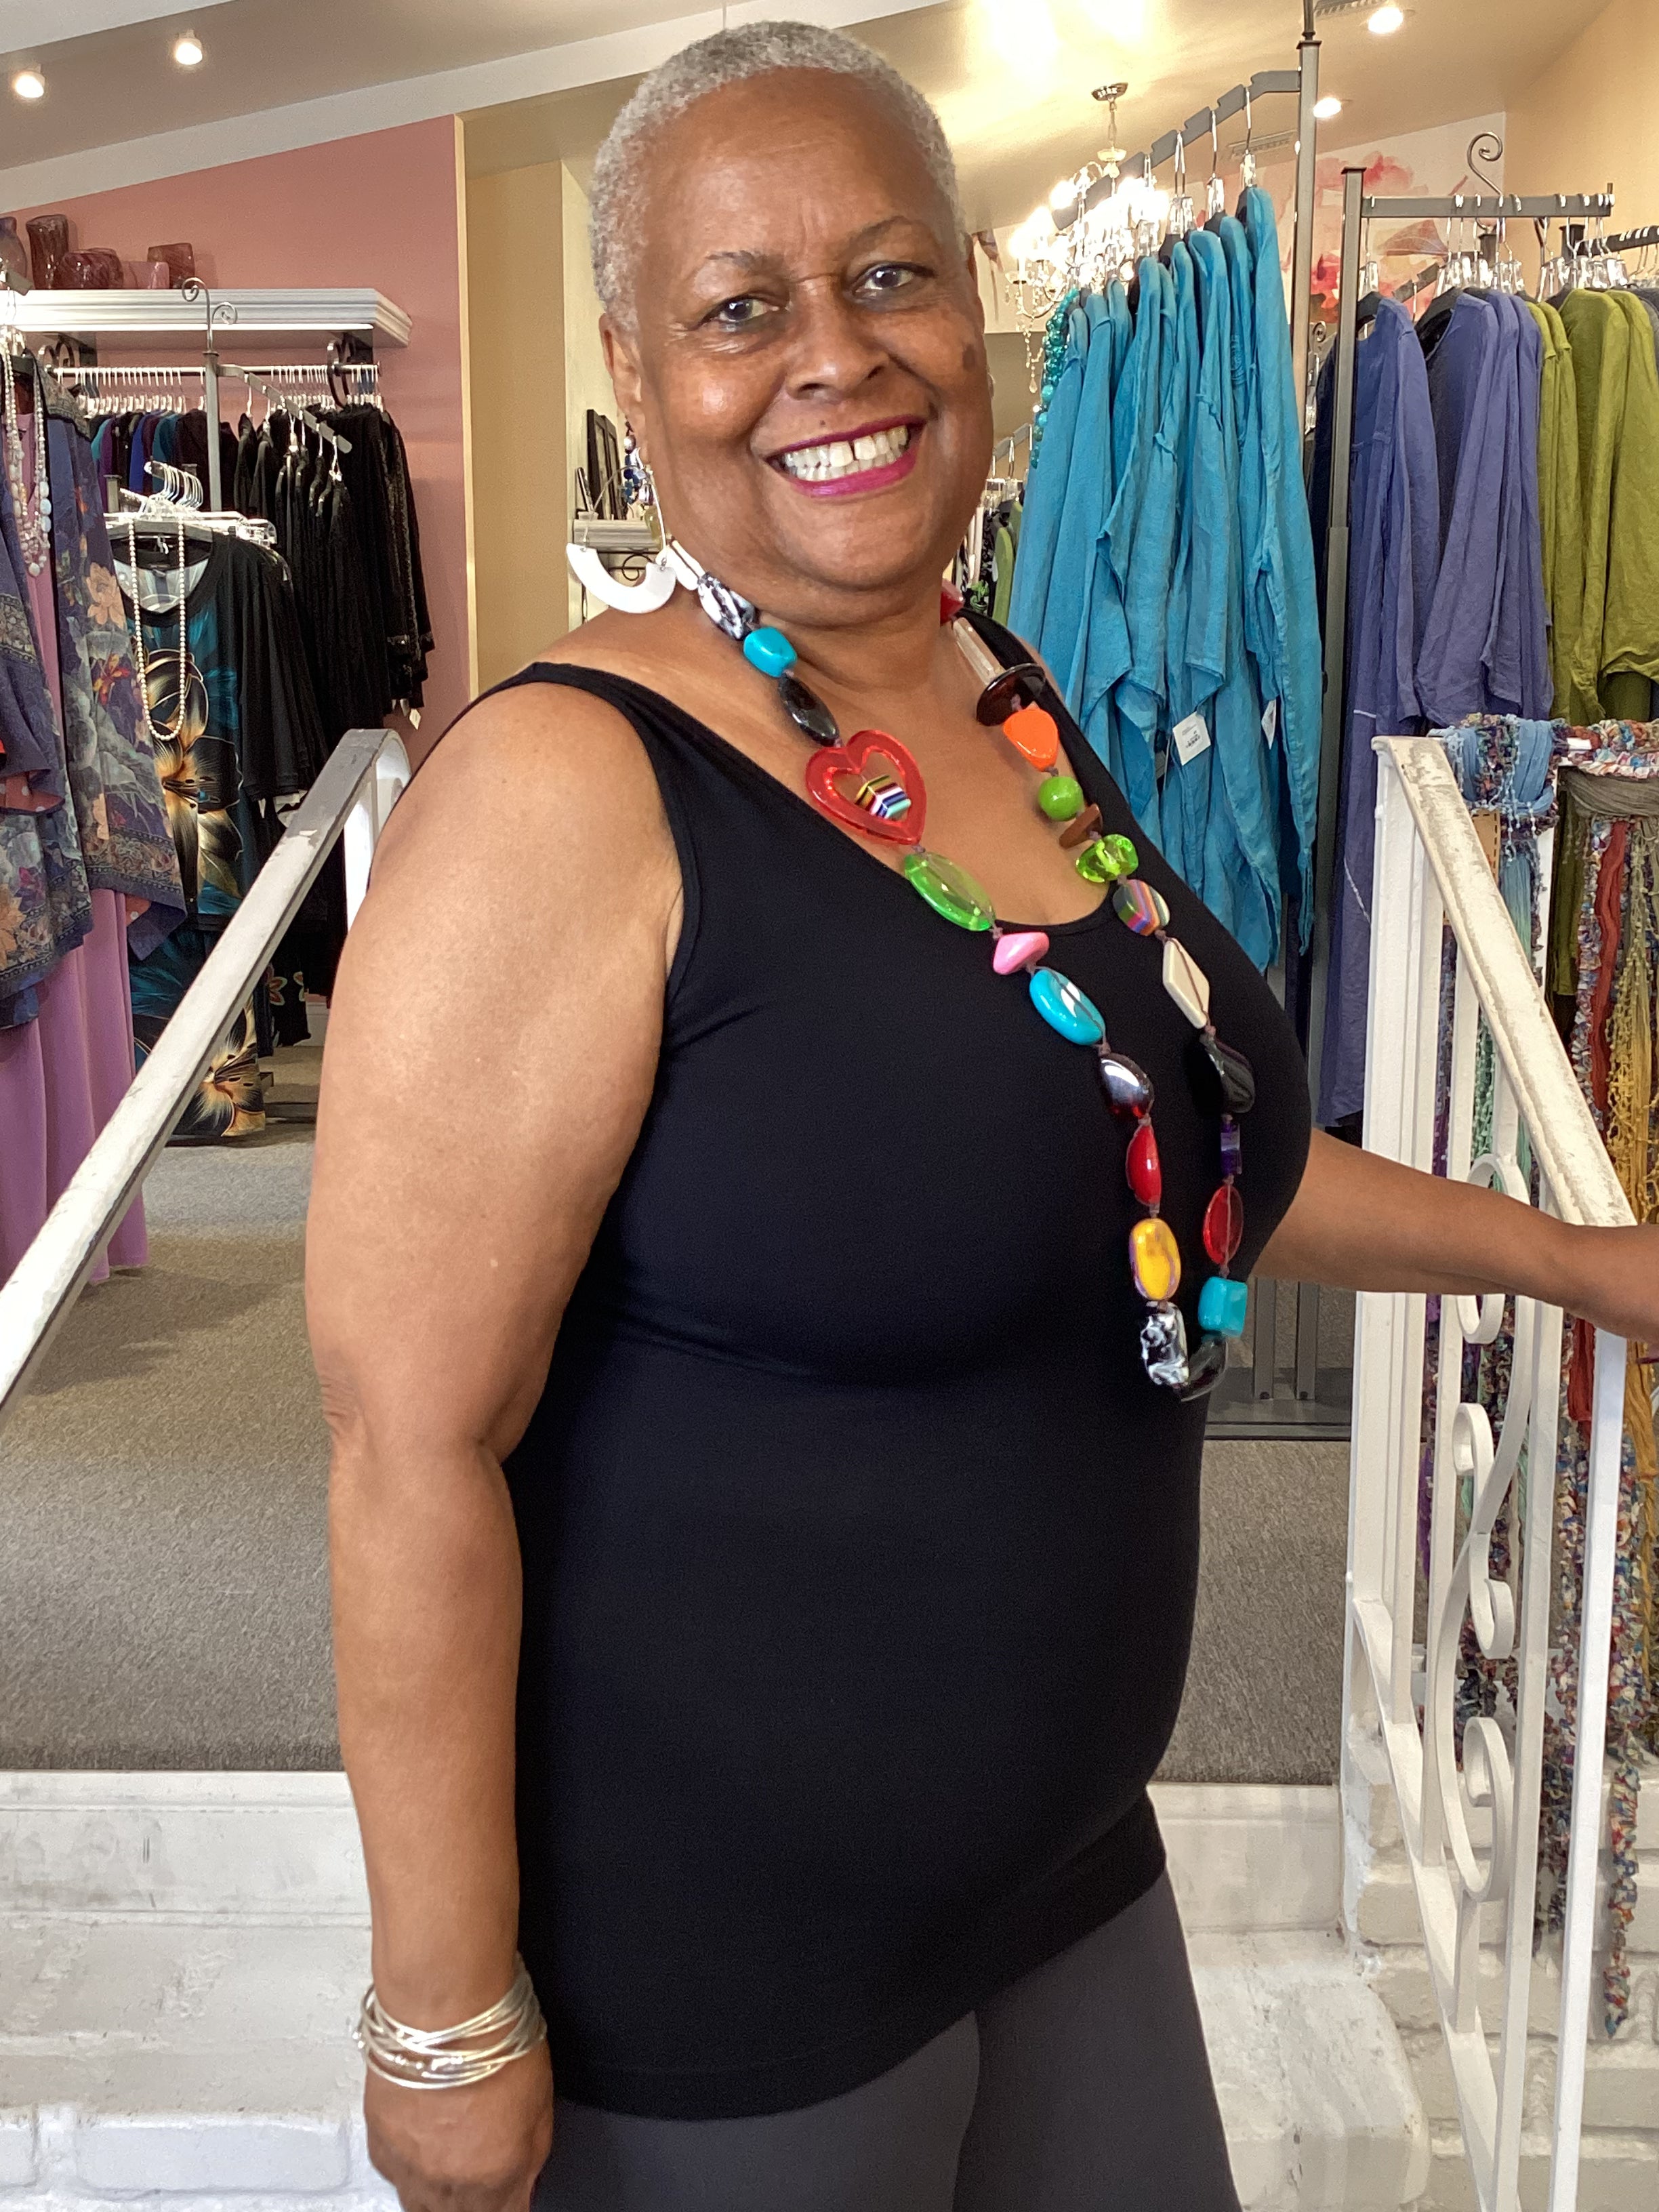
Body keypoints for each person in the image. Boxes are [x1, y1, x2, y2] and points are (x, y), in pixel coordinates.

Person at [305, 23, 1658, 2212]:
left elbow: (1180, 1150)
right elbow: (406, 1445)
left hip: (1064, 1874)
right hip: (729, 1970)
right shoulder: (559, 795)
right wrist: (443, 2010)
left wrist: (1577, 1261)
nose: (835, 357)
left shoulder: (995, 687)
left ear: (969, 303)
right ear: (638, 375)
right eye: (739, 309)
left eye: (888, 276)